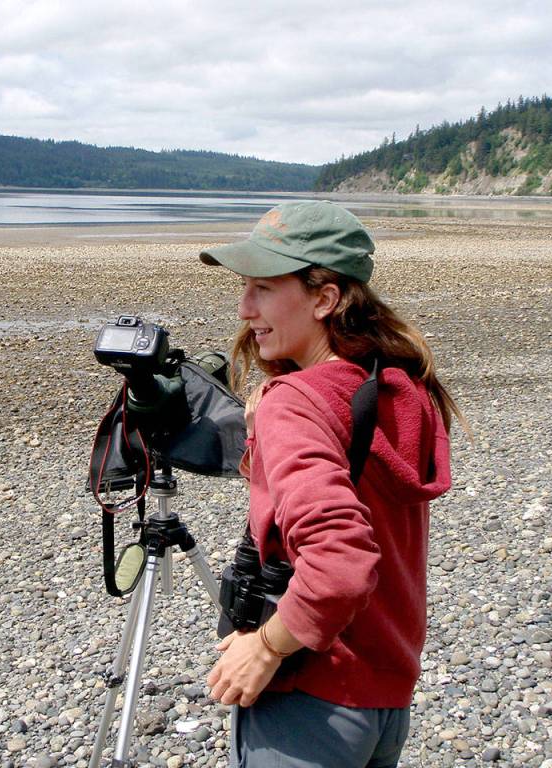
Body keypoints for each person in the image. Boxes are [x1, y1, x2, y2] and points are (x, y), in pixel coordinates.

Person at [200, 201, 460, 768]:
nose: (245, 309)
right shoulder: (398, 385)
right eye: (245, 288)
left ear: (325, 298)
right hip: (385, 698)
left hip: (311, 702)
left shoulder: (296, 404)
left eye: (264, 289)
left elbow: (341, 561)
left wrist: (265, 648)